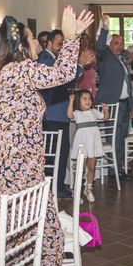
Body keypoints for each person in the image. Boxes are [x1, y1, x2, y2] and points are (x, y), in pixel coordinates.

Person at [0, 7, 93, 266]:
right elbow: (66, 72)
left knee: (32, 237)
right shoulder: (18, 71)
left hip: (20, 166)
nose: (36, 45)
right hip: (18, 170)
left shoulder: (9, 72)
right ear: (20, 45)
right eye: (32, 39)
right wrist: (72, 36)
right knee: (34, 237)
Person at [39, 29, 92, 199]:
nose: (61, 48)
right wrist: (80, 66)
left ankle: (58, 186)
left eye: (63, 44)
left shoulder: (52, 59)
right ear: (49, 42)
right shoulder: (45, 59)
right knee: (55, 154)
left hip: (59, 113)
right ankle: (55, 188)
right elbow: (62, 79)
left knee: (61, 153)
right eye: (59, 44)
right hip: (53, 114)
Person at [96, 15, 133, 180]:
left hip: (124, 104)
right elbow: (99, 47)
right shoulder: (105, 56)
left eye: (121, 44)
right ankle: (114, 170)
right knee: (114, 137)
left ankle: (118, 167)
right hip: (112, 103)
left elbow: (127, 84)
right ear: (109, 45)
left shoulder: (121, 60)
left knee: (121, 137)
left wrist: (131, 105)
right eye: (116, 43)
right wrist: (105, 27)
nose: (119, 46)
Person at [67, 90, 107, 203]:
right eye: (84, 98)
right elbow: (69, 115)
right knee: (80, 168)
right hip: (82, 142)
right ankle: (76, 191)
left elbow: (104, 118)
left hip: (93, 143)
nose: (88, 101)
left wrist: (105, 110)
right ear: (78, 101)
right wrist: (71, 101)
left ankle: (88, 189)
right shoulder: (77, 113)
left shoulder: (93, 111)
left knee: (92, 167)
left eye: (89, 98)